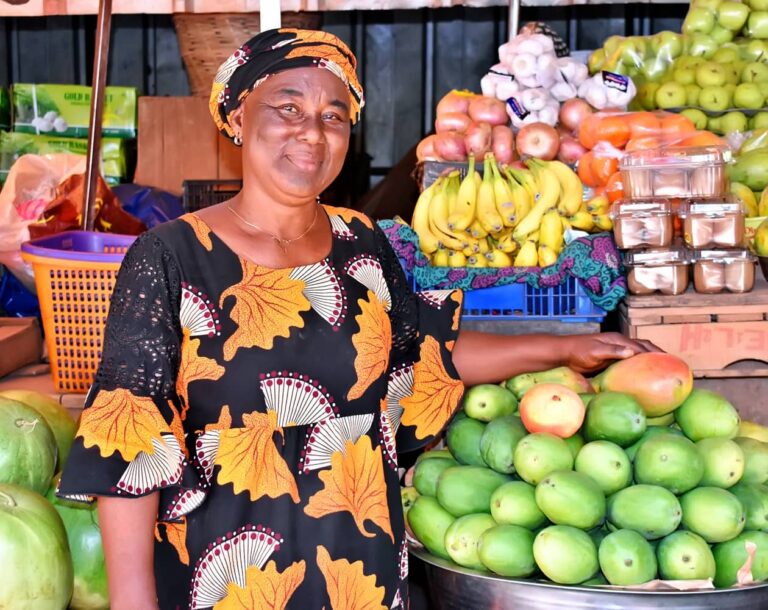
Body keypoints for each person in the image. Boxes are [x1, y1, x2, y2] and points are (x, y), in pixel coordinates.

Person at [59, 28, 655, 610]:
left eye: (333, 115)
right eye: (287, 108)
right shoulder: (170, 256)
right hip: (223, 579)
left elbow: (425, 357)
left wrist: (567, 347)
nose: (311, 133)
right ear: (238, 119)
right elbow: (126, 439)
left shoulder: (363, 243)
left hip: (360, 573)